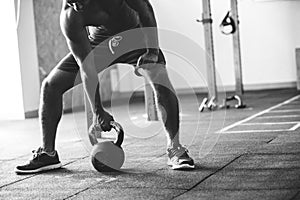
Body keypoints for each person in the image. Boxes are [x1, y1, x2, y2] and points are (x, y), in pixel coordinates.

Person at [15, 0, 194, 174]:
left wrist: (152, 52)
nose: (76, 6)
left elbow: (145, 9)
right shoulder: (70, 16)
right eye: (71, 2)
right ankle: (48, 153)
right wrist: (98, 111)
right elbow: (86, 68)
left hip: (135, 35)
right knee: (50, 86)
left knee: (158, 75)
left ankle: (175, 148)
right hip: (100, 42)